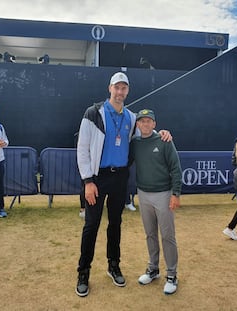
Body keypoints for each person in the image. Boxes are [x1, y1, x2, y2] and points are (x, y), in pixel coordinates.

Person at [75, 72, 171, 297]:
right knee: (91, 226)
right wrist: (88, 181)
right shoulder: (93, 113)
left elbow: (147, 132)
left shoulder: (131, 117)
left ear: (128, 91)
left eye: (124, 88)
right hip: (97, 178)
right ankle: (83, 273)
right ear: (110, 88)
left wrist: (162, 133)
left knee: (116, 223)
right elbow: (82, 148)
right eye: (116, 88)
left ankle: (113, 265)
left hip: (120, 178)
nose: (120, 92)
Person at [129, 109, 182, 295]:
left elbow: (176, 168)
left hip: (164, 194)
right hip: (143, 194)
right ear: (137, 125)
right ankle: (153, 269)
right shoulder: (134, 143)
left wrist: (176, 193)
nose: (144, 124)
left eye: (148, 121)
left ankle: (172, 275)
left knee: (167, 235)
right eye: (141, 121)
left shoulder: (164, 140)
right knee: (150, 234)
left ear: (154, 124)